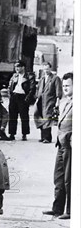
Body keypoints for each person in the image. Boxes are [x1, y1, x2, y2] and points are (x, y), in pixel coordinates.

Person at [43, 72, 73, 219]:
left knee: (70, 179)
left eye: (68, 85)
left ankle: (70, 211)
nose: (65, 88)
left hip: (71, 146)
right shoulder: (65, 101)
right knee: (59, 178)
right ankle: (57, 208)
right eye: (64, 85)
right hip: (61, 144)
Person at [7, 60, 37, 141]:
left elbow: (32, 88)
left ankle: (24, 134)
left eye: (18, 67)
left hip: (23, 97)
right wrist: (10, 95)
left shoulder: (29, 76)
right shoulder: (14, 76)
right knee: (12, 116)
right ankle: (12, 134)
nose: (16, 68)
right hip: (14, 97)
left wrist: (27, 99)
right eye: (16, 67)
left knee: (24, 117)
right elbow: (10, 86)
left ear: (23, 67)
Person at [34, 62, 62, 143]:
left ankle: (47, 138)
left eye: (47, 69)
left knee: (47, 118)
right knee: (40, 117)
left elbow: (58, 90)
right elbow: (38, 89)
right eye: (44, 69)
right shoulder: (42, 78)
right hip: (40, 101)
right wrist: (36, 98)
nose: (46, 71)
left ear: (50, 68)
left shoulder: (55, 78)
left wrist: (57, 101)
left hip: (49, 101)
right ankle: (42, 136)